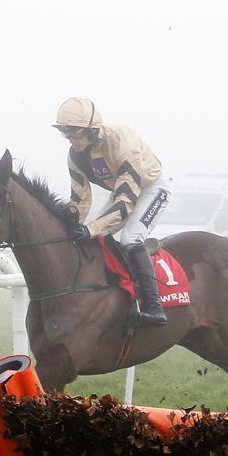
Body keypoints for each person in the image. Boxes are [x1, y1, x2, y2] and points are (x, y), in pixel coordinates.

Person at [53, 97, 170, 325]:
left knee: (130, 239)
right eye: (66, 134)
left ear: (93, 130)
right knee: (96, 237)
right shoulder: (75, 155)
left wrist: (90, 228)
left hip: (150, 188)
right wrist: (66, 225)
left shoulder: (121, 139)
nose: (71, 140)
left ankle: (155, 308)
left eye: (75, 134)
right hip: (121, 192)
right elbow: (80, 200)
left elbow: (126, 202)